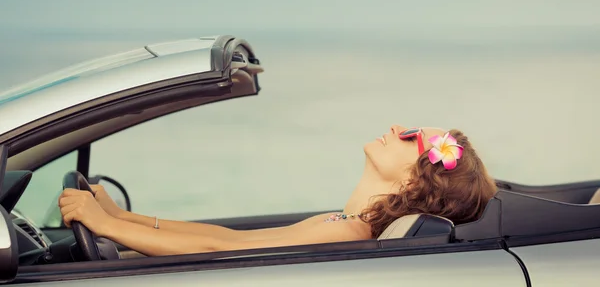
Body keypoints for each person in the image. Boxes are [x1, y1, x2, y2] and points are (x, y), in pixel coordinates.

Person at [58, 125, 497, 257]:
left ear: (411, 181)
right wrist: (120, 219)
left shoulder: (346, 235)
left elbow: (216, 249)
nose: (398, 127)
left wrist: (104, 225)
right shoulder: (344, 223)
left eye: (413, 136)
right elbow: (234, 239)